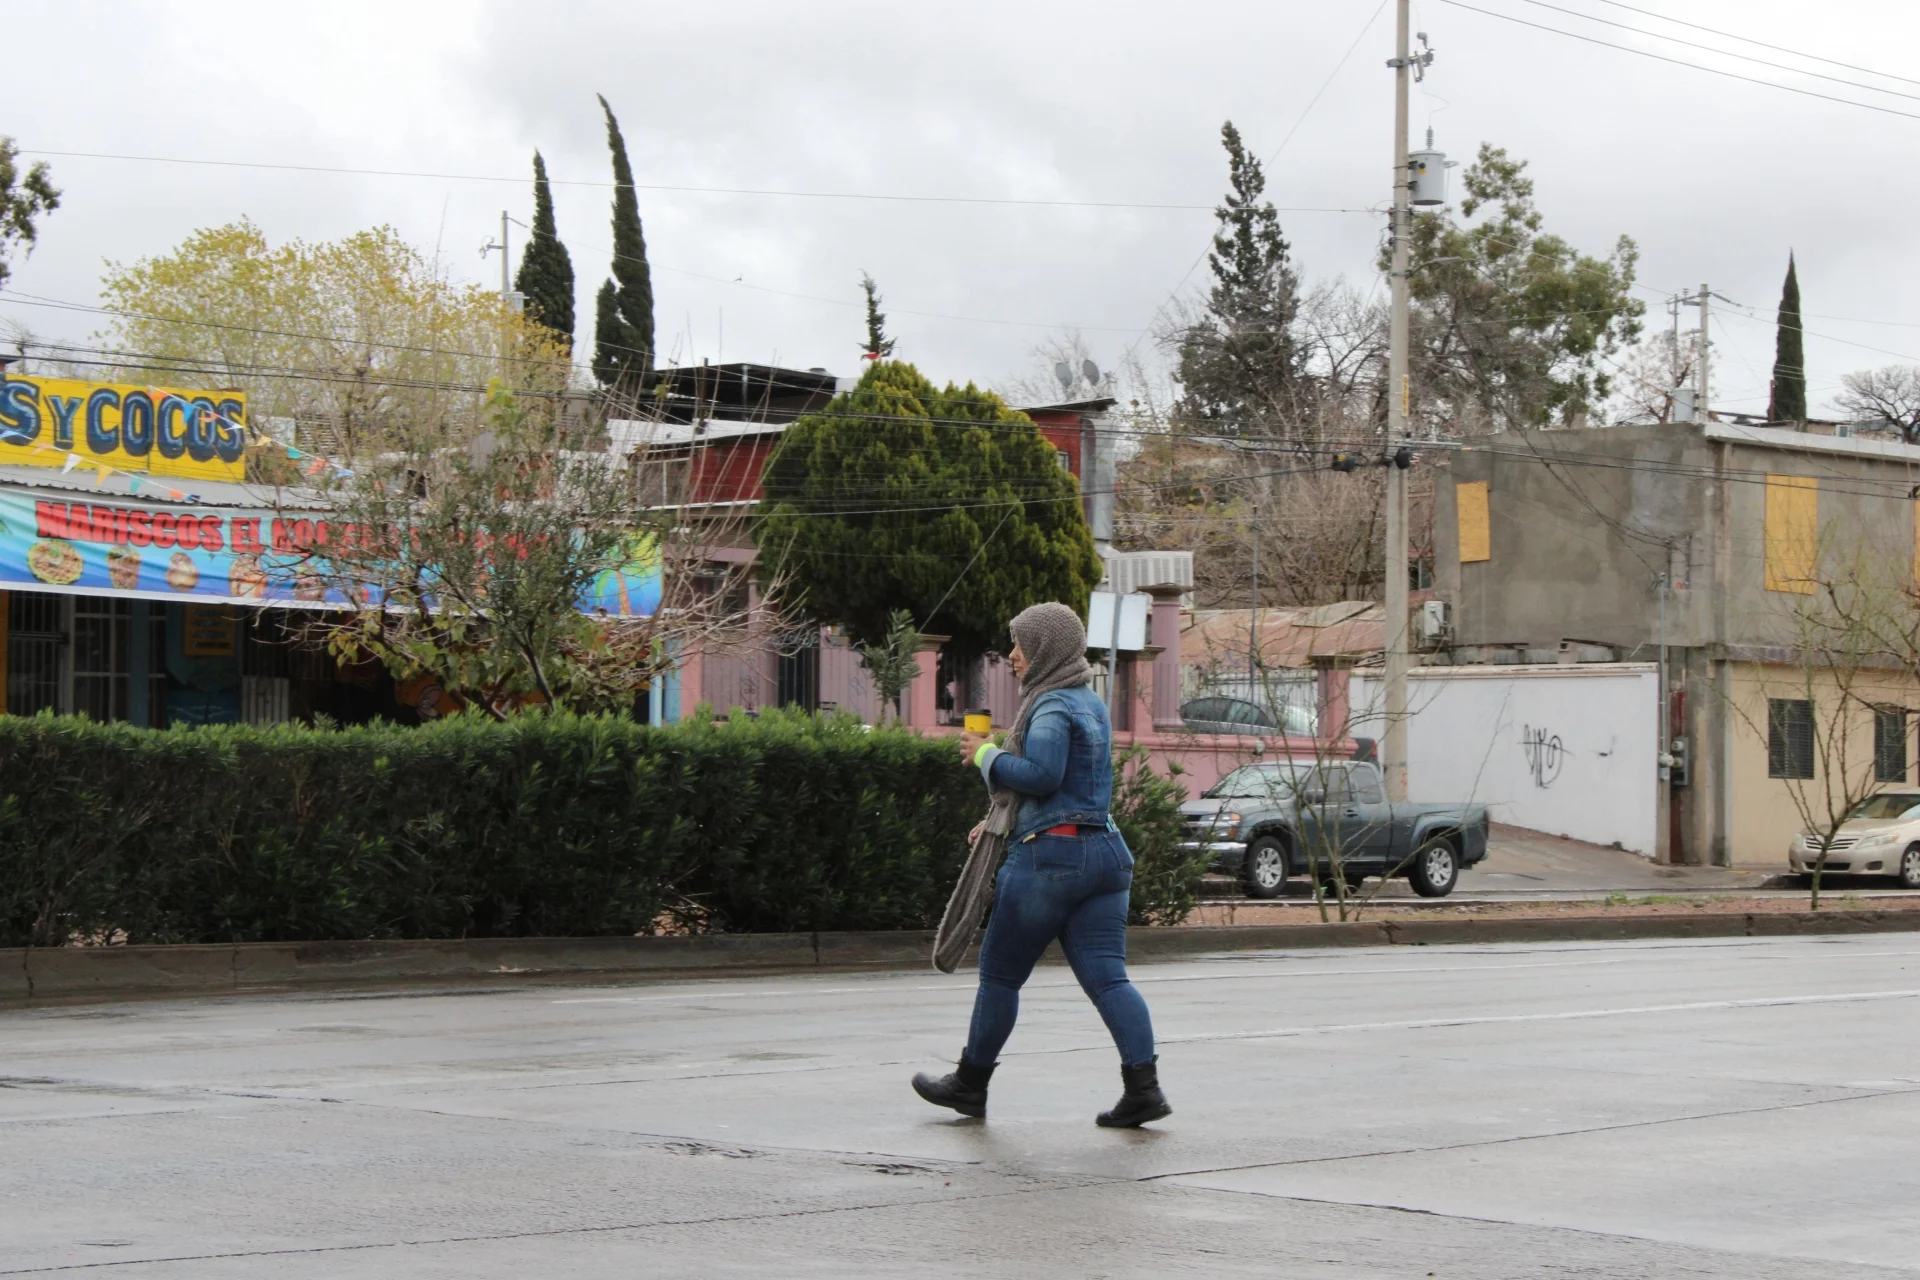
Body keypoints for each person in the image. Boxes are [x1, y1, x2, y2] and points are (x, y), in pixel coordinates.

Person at [912, 601, 1170, 1128]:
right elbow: (1075, 788)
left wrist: (985, 754)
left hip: (1052, 859)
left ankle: (970, 1084)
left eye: (1021, 645)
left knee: (1000, 976)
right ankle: (1143, 1090)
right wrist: (1002, 822)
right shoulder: (1091, 703)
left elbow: (1044, 775)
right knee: (1110, 980)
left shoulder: (1050, 706)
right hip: (1105, 853)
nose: (1013, 655)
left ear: (1046, 650)